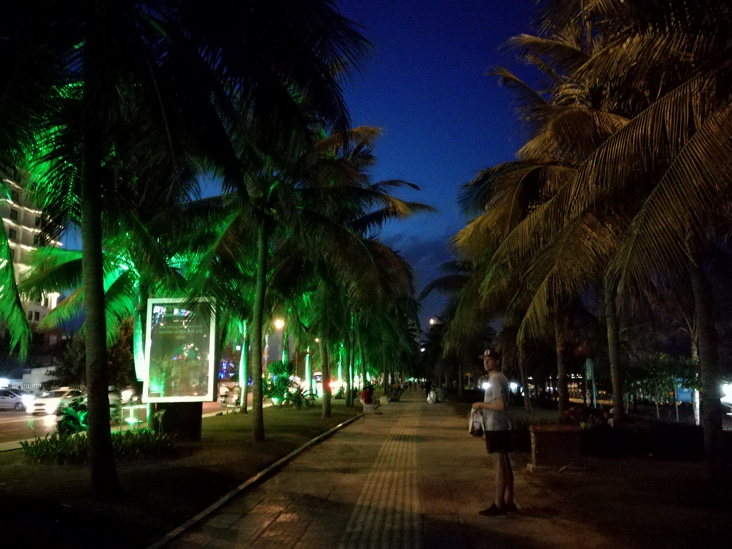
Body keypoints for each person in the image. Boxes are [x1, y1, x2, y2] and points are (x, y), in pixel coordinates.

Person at [471, 348, 516, 518]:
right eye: (484, 359)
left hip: (496, 427)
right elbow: (495, 403)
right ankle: (509, 501)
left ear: (497, 361)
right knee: (505, 463)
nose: (486, 362)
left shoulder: (496, 379)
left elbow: (500, 405)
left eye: (490, 359)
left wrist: (479, 405)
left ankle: (498, 504)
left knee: (499, 465)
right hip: (501, 425)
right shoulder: (499, 378)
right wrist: (480, 410)